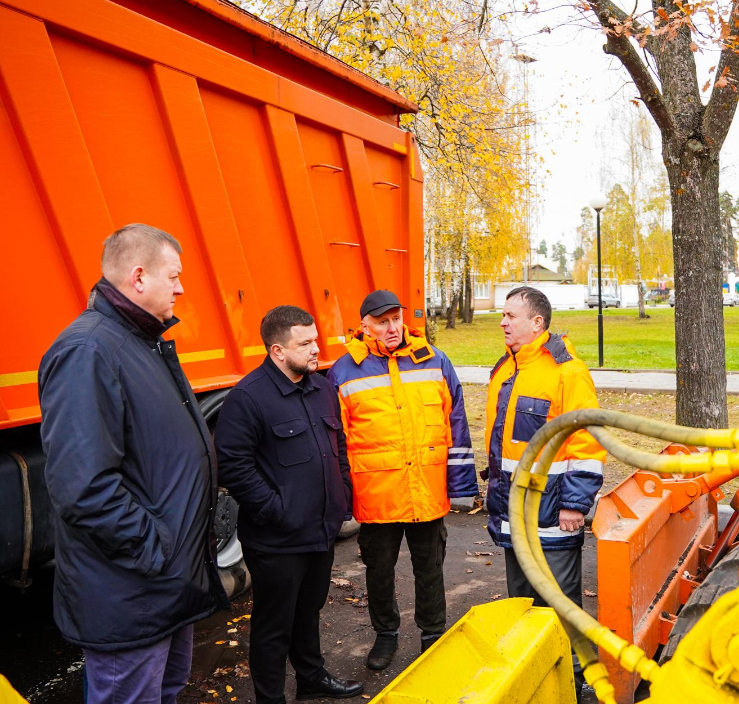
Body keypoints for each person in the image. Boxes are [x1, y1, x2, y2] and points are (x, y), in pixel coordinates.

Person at [38, 224, 229, 704]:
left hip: (164, 587)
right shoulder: (89, 351)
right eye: (175, 276)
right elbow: (83, 487)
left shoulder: (141, 342)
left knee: (165, 691)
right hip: (136, 591)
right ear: (140, 277)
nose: (182, 287)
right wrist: (159, 553)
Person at [215, 306, 362, 704]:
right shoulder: (248, 398)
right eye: (306, 343)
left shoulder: (322, 388)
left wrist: (343, 493)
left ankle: (311, 679)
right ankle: (270, 698)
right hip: (278, 539)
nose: (318, 348)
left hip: (320, 530)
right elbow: (233, 465)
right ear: (278, 351)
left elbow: (339, 446)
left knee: (308, 611)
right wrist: (277, 510)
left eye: (315, 338)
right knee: (273, 625)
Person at [328, 290, 477, 670]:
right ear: (365, 326)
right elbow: (337, 442)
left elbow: (455, 423)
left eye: (396, 319)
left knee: (430, 566)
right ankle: (386, 635)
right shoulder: (343, 371)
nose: (392, 327)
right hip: (376, 496)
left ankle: (433, 634)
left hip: (425, 489)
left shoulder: (434, 360)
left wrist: (460, 486)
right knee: (379, 570)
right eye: (382, 322)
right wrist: (342, 501)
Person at [483, 286, 605, 700]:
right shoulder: (506, 368)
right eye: (502, 315)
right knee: (522, 600)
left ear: (537, 323)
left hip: (553, 512)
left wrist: (575, 503)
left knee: (560, 602)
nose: (502, 322)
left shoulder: (568, 372)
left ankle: (576, 679)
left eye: (510, 316)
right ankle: (534, 674)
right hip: (513, 511)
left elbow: (586, 442)